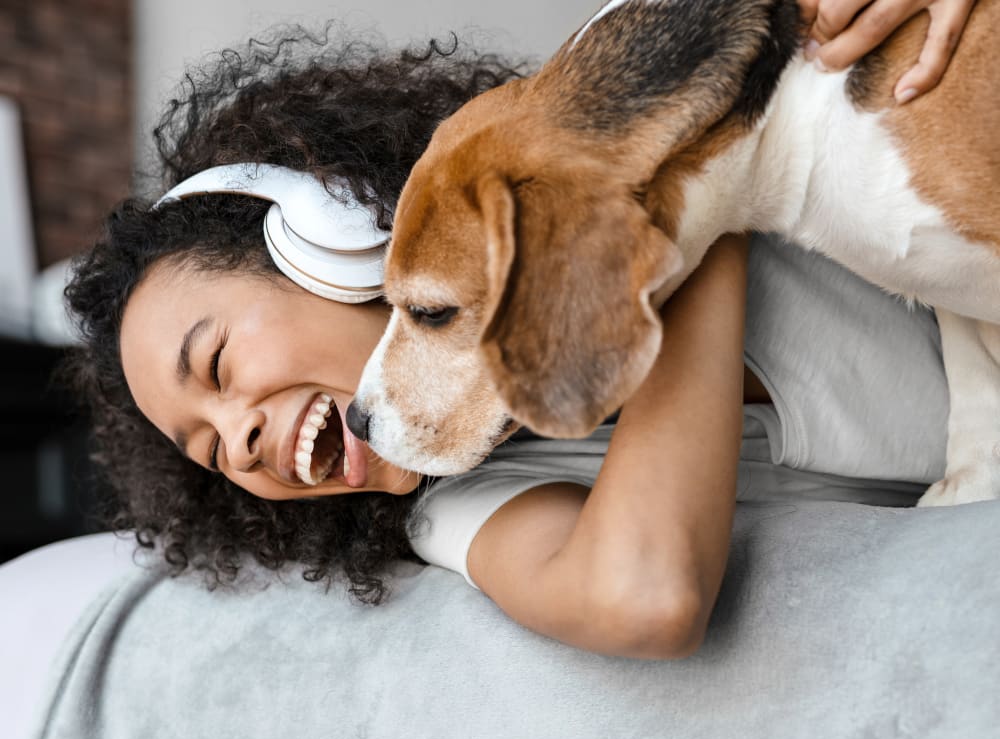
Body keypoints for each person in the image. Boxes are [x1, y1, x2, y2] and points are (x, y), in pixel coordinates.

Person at [64, 0, 970, 660]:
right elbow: (642, 601)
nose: (239, 440)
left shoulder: (553, 188)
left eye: (217, 365)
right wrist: (679, 206)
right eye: (207, 452)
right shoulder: (456, 506)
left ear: (327, 240)